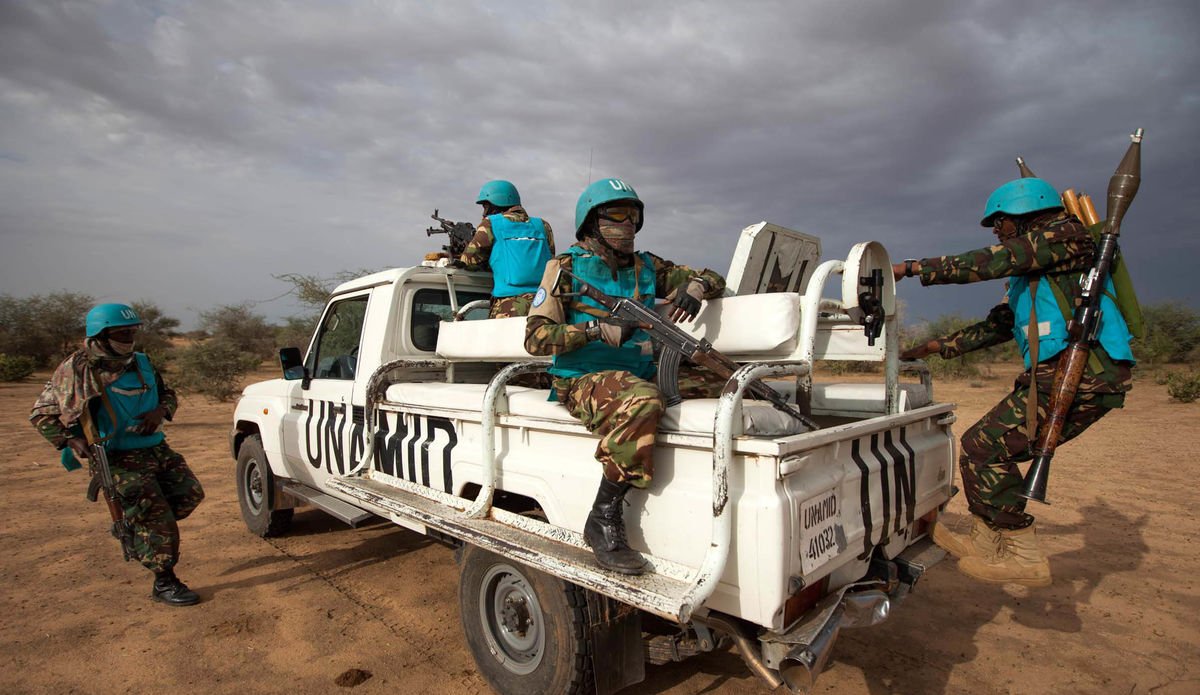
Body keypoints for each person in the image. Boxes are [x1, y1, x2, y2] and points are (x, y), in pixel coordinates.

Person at [893, 177, 1135, 587]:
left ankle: (1022, 553)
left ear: (1023, 214)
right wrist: (935, 346)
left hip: (1084, 374)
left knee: (982, 449)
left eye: (999, 222)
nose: (996, 232)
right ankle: (989, 543)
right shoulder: (1036, 269)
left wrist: (914, 268)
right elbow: (1000, 325)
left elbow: (991, 261)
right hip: (1054, 375)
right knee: (979, 447)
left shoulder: (1066, 238)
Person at [525, 178, 726, 575]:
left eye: (634, 215)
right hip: (583, 377)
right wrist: (596, 331)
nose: (628, 225)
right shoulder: (564, 269)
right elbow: (535, 338)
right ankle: (603, 517)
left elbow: (713, 275)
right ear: (591, 223)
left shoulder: (648, 267)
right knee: (642, 402)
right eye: (617, 215)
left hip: (644, 370)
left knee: (728, 385)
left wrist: (698, 287)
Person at [30, 303, 206, 606]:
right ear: (100, 335)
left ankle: (138, 527)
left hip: (154, 447)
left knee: (189, 493)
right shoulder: (76, 370)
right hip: (115, 458)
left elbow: (168, 394)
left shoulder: (142, 362)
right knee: (156, 516)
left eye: (132, 330)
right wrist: (70, 441)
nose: (128, 337)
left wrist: (160, 410)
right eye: (121, 332)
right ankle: (164, 581)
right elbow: (41, 414)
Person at [459, 179, 556, 319]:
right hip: (544, 305)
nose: (484, 213)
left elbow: (468, 261)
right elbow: (550, 259)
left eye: (486, 207)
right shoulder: (543, 226)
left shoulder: (490, 224)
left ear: (496, 204)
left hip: (508, 307)